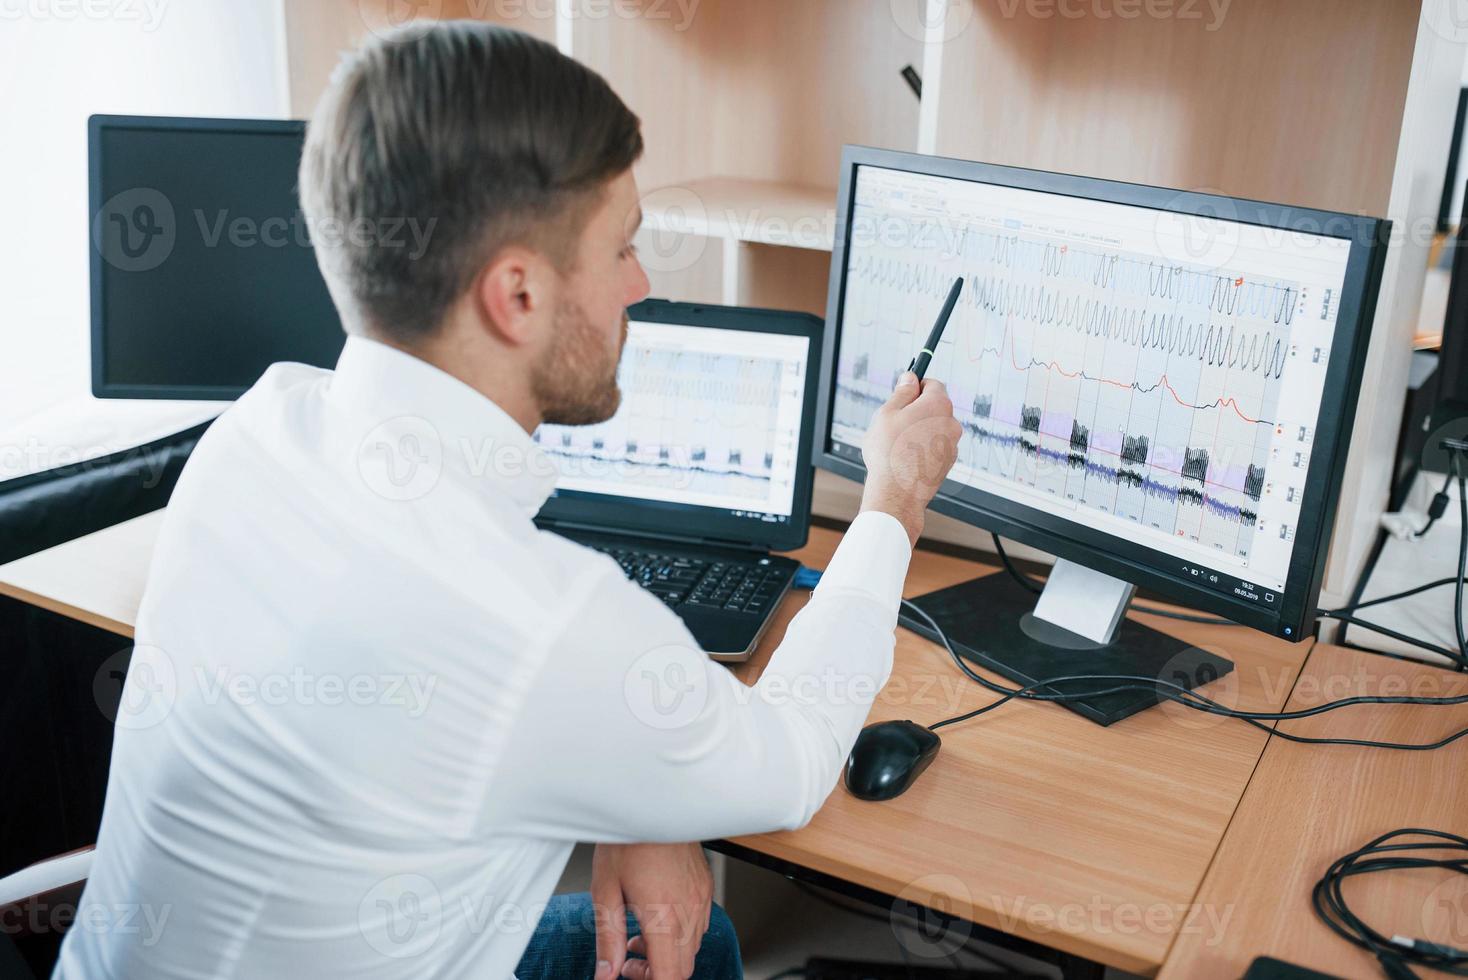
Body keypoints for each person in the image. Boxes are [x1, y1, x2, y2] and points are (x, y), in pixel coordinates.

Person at [56, 21, 961, 980]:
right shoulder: (540, 622)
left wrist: (632, 788)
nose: (641, 287)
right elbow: (786, 768)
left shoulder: (257, 432)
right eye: (622, 249)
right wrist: (892, 502)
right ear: (517, 294)